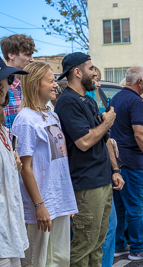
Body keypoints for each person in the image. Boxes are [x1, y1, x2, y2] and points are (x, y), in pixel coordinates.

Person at [54, 52, 124, 266]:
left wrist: (115, 170)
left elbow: (105, 140)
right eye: (91, 68)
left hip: (102, 180)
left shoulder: (88, 100)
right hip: (86, 185)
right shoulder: (68, 102)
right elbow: (84, 141)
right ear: (77, 72)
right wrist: (107, 122)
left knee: (97, 246)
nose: (95, 73)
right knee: (84, 247)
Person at [11, 62, 78, 266]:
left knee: (60, 260)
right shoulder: (25, 120)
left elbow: (59, 162)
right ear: (35, 84)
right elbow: (25, 169)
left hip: (60, 201)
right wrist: (39, 205)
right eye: (50, 81)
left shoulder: (51, 114)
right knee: (39, 261)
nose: (55, 85)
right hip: (41, 205)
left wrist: (67, 199)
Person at [110, 66, 143, 261]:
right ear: (140, 82)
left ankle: (119, 244)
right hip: (131, 161)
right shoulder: (136, 101)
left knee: (121, 206)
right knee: (135, 205)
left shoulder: (116, 98)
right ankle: (138, 247)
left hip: (117, 162)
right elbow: (140, 134)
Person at [0, 57, 28, 267]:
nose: (8, 85)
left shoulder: (3, 128)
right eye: (5, 79)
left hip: (9, 232)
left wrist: (12, 161)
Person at [1, 34, 36, 137]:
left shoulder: (29, 87)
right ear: (11, 55)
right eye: (27, 54)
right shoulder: (3, 88)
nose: (32, 59)